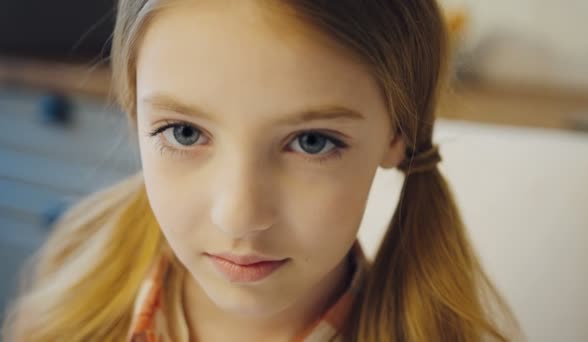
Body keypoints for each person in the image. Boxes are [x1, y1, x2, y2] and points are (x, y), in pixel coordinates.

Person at [3, 1, 520, 341]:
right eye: (184, 132)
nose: (240, 218)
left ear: (397, 135)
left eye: (312, 142)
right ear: (134, 111)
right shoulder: (66, 298)